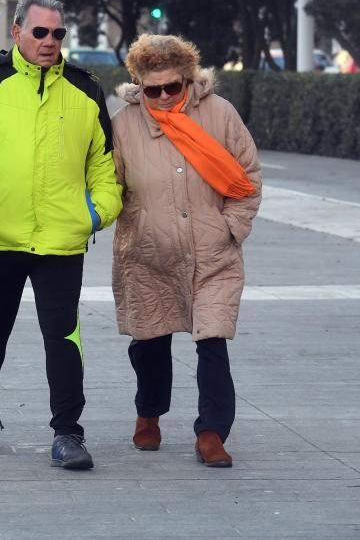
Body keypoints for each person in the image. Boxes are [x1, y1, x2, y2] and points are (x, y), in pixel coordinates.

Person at [0, 0, 122, 470]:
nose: (50, 41)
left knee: (64, 337)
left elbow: (105, 166)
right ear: (16, 32)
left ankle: (68, 434)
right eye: (40, 32)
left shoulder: (85, 91)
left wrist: (95, 212)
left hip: (62, 240)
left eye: (58, 33)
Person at [111, 34, 262, 468]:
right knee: (149, 344)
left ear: (188, 80)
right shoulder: (124, 124)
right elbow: (109, 183)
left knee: (213, 342)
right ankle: (149, 413)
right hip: (147, 254)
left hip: (213, 255)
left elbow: (248, 177)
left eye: (171, 88)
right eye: (151, 90)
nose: (161, 97)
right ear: (139, 85)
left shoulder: (219, 113)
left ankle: (212, 432)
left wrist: (230, 228)